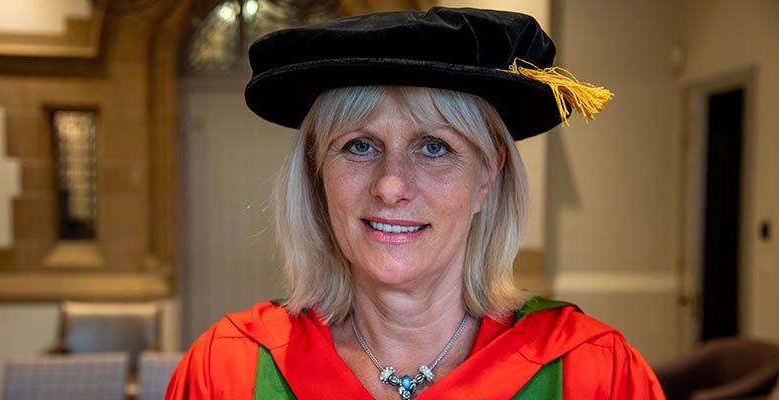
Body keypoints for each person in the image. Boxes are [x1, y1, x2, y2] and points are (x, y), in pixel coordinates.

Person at [166, 7, 665, 399]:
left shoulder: (592, 373)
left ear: (489, 173)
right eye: (359, 145)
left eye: (434, 147)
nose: (390, 185)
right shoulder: (229, 370)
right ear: (318, 172)